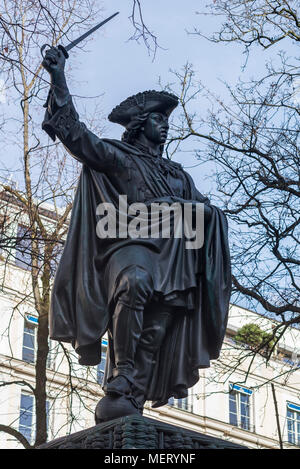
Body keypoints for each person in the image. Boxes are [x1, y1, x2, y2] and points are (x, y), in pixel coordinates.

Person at [42, 47, 231, 421]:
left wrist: (204, 215)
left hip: (175, 257)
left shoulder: (178, 175)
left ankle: (134, 391)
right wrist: (59, 78)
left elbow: (206, 214)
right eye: (158, 118)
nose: (165, 124)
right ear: (140, 123)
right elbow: (76, 137)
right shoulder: (118, 155)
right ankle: (122, 372)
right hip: (129, 244)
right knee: (135, 282)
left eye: (165, 119)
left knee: (160, 320)